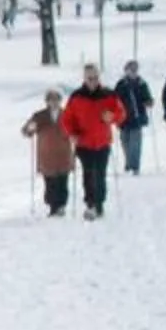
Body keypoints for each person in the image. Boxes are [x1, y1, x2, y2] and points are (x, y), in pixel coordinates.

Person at [61, 62, 128, 219]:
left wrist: (113, 117)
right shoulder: (76, 96)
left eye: (95, 77)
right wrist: (72, 134)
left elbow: (121, 113)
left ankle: (99, 204)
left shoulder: (109, 94)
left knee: (100, 174)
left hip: (102, 142)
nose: (92, 81)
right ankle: (90, 204)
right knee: (88, 173)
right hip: (83, 142)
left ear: (99, 77)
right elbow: (67, 119)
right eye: (89, 78)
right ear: (84, 79)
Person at [22, 91, 74, 217]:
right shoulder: (40, 116)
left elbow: (76, 129)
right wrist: (30, 128)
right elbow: (26, 131)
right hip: (47, 154)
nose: (54, 102)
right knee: (50, 182)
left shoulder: (67, 114)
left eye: (56, 100)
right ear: (47, 102)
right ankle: (52, 206)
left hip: (64, 153)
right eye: (51, 100)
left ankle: (61, 206)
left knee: (63, 181)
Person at [112, 58, 155, 175]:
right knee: (125, 142)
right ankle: (129, 162)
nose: (133, 72)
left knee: (135, 143)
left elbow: (147, 97)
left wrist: (149, 101)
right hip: (123, 118)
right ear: (126, 70)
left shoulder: (141, 83)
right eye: (131, 69)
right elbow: (114, 99)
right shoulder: (121, 84)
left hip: (137, 117)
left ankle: (134, 166)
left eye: (135, 69)